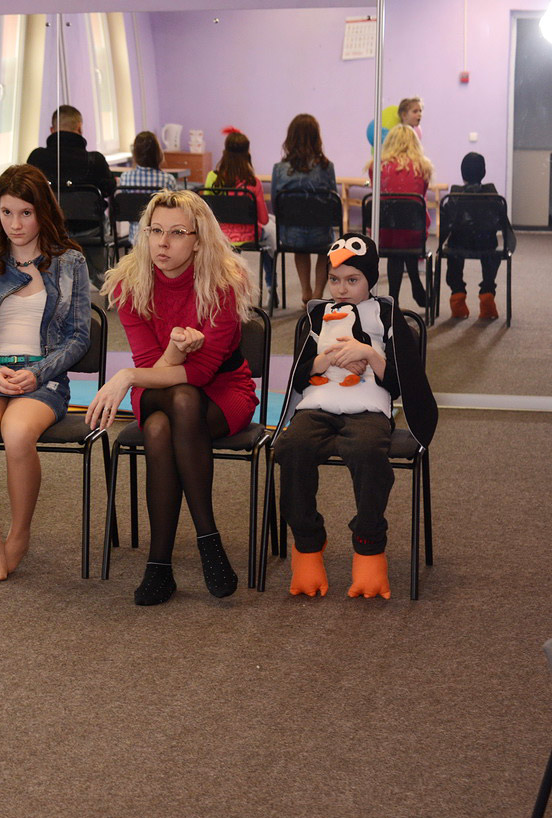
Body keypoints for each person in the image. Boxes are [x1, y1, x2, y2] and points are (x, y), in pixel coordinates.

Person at [86, 189, 256, 605]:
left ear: (198, 240)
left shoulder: (224, 283)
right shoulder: (130, 283)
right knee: (177, 401)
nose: (162, 243)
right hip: (158, 387)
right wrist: (171, 354)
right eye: (155, 231)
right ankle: (207, 538)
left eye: (177, 233)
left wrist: (127, 376)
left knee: (165, 423)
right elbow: (153, 366)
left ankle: (159, 565)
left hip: (224, 390)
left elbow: (202, 373)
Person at [271, 232, 437, 599]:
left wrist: (371, 354)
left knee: (366, 452)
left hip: (368, 407)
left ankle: (368, 544)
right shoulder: (317, 315)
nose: (342, 289)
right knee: (291, 448)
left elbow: (402, 383)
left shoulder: (387, 315)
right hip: (317, 404)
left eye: (352, 280)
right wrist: (323, 360)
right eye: (334, 280)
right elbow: (298, 374)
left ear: (370, 280)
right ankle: (308, 543)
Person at [0, 164, 91, 581]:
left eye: (25, 213)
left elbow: (78, 336)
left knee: (16, 433)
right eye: (7, 212)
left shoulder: (69, 262)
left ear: (42, 212)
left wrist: (38, 372)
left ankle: (19, 534)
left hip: (44, 378)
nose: (15, 224)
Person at [26, 104, 116, 287]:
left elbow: (28, 192)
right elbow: (108, 190)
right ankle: (104, 281)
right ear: (80, 128)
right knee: (103, 271)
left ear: (52, 130)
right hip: (91, 231)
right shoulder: (95, 160)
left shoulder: (36, 158)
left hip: (50, 231)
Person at [271, 113, 338, 305]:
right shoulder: (327, 167)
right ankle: (317, 293)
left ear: (290, 138)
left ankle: (305, 291)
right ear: (317, 138)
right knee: (325, 248)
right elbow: (333, 203)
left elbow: (275, 204)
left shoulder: (279, 169)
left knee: (300, 244)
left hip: (291, 236)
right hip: (320, 234)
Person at [368, 124, 433, 308]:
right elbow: (420, 198)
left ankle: (393, 298)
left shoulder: (376, 167)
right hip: (414, 233)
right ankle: (415, 285)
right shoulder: (423, 167)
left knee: (397, 235)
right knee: (406, 232)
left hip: (384, 233)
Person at [204, 130, 274, 298]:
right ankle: (271, 285)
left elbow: (206, 214)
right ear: (247, 154)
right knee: (271, 236)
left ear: (225, 152)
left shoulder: (212, 178)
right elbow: (264, 219)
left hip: (220, 236)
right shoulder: (253, 182)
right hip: (249, 236)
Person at [443, 152, 507, 321]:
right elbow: (501, 223)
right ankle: (487, 293)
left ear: (462, 173)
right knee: (491, 250)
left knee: (453, 249)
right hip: (486, 245)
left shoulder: (454, 195)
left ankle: (457, 295)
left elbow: (446, 224)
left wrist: (440, 245)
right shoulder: (492, 194)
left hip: (458, 246)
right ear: (483, 172)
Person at [118, 130, 180, 247]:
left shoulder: (125, 178)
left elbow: (126, 207)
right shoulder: (168, 180)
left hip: (135, 239)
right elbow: (175, 211)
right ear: (158, 153)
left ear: (135, 153)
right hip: (161, 239)